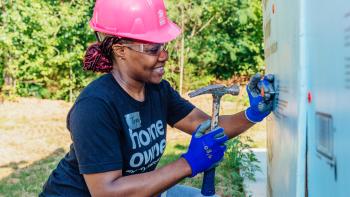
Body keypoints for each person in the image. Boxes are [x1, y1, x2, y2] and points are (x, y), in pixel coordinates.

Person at [40, 0, 275, 196]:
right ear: (120, 50)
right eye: (152, 49)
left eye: (163, 45)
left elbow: (207, 126)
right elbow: (106, 192)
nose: (164, 55)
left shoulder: (158, 90)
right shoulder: (94, 107)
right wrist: (188, 163)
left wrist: (252, 114)